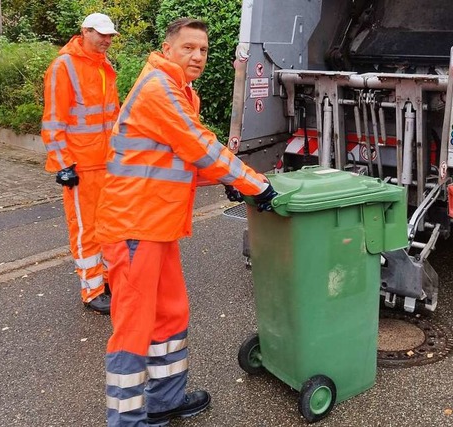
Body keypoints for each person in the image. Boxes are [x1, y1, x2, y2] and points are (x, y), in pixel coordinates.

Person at [95, 18, 277, 427]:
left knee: (170, 316)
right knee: (134, 328)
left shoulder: (178, 89)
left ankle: (165, 402)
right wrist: (253, 185)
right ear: (167, 48)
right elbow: (199, 145)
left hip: (156, 225)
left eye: (204, 50)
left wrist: (224, 180)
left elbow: (179, 156)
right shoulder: (159, 88)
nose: (197, 56)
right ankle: (126, 421)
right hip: (134, 227)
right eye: (189, 48)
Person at [41, 13, 120, 315]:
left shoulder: (104, 67)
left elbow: (111, 116)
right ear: (84, 32)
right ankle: (92, 290)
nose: (107, 40)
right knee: (86, 229)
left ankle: (108, 281)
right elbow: (52, 121)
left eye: (110, 35)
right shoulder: (64, 66)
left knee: (110, 227)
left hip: (107, 164)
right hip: (81, 167)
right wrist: (63, 164)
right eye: (101, 34)